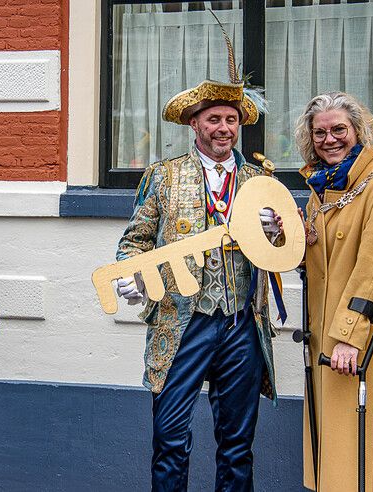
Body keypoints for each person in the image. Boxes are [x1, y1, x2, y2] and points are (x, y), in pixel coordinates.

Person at [114, 23, 283, 490]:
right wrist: (132, 276)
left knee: (237, 444)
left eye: (230, 120)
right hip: (181, 318)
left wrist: (278, 232)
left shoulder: (261, 183)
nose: (223, 128)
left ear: (239, 125)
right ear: (195, 125)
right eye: (214, 120)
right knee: (170, 437)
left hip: (241, 321)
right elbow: (135, 240)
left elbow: (285, 251)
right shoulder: (163, 175)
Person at [295, 91, 373, 491]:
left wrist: (349, 336)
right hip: (324, 334)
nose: (329, 139)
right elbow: (317, 260)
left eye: (339, 129)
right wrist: (289, 236)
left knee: (367, 440)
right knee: (334, 437)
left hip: (361, 333)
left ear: (358, 130)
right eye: (320, 132)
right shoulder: (322, 190)